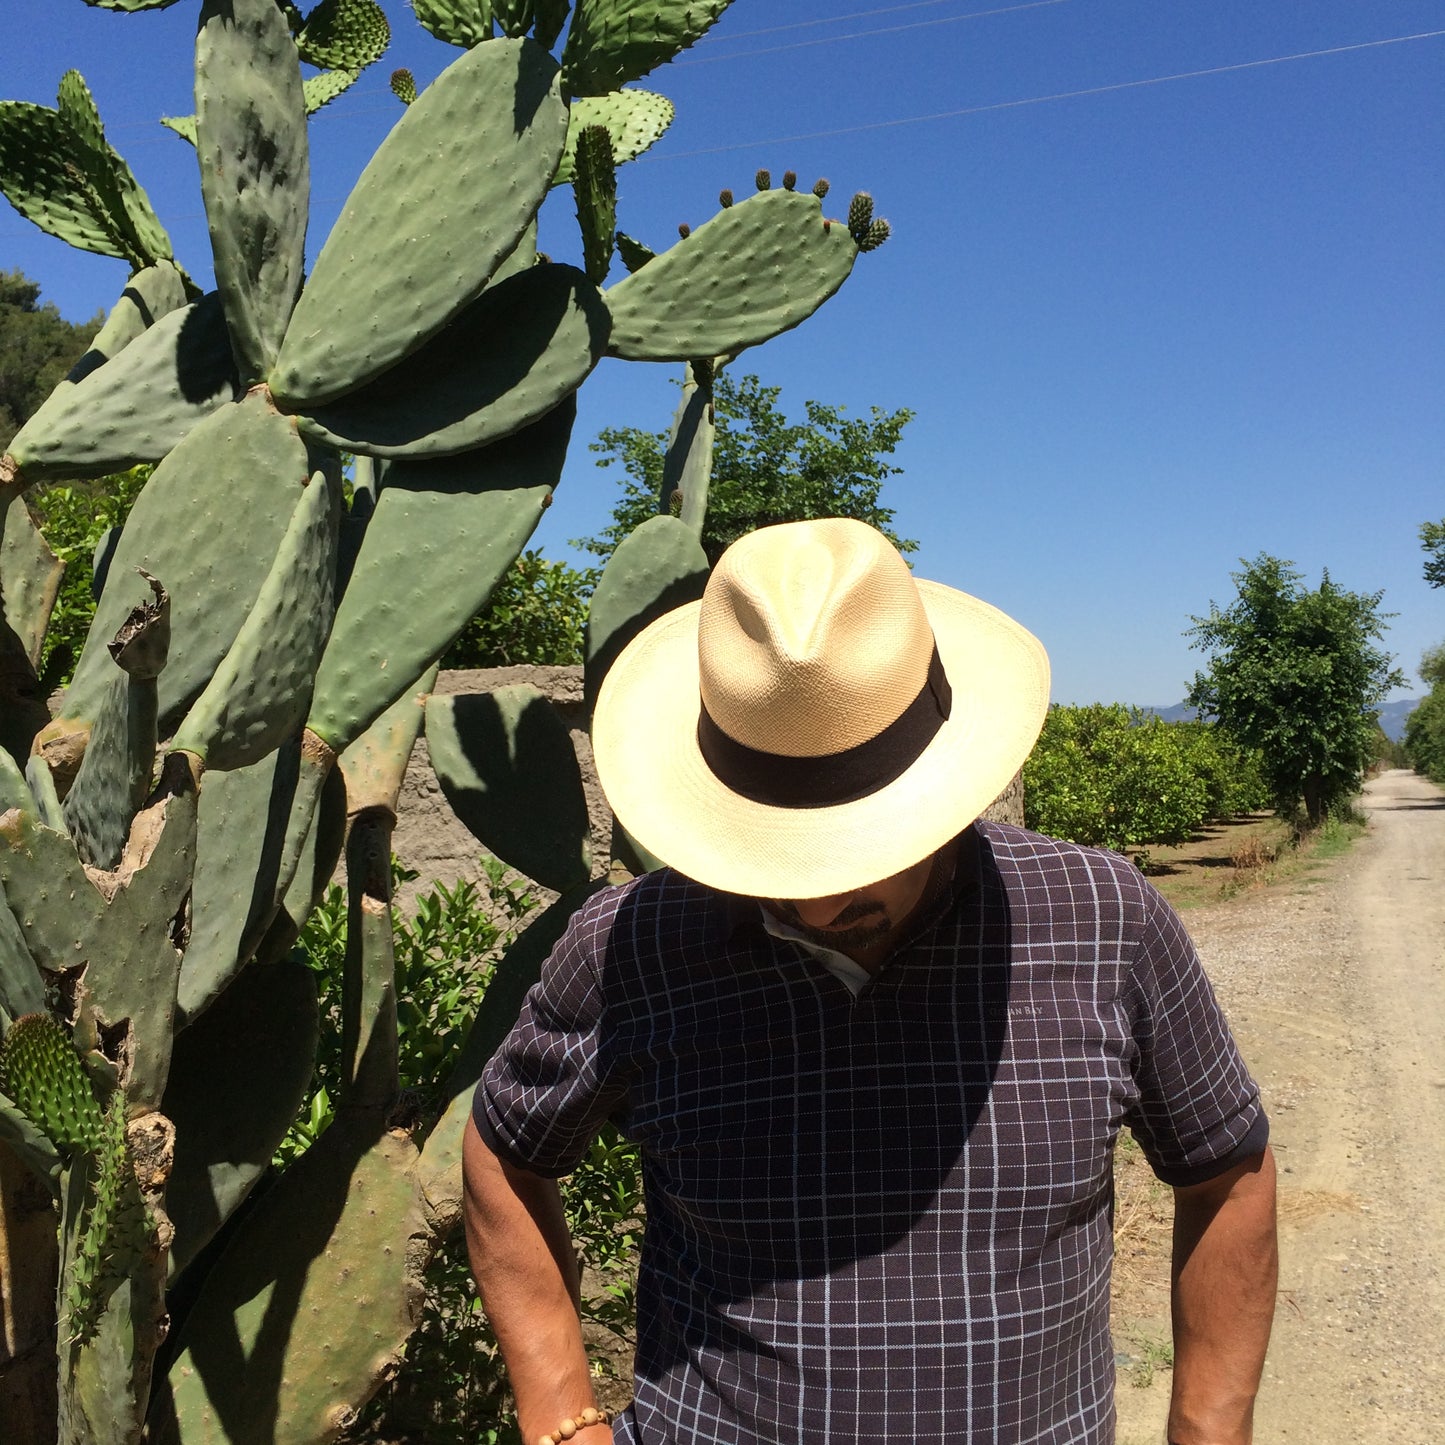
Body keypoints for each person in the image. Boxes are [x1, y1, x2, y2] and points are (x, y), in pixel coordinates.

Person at [463, 518, 1277, 1445]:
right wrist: (560, 1418)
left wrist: (1208, 1430)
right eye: (773, 846)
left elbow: (1228, 1173)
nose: (815, 905)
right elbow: (502, 1152)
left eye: (857, 841)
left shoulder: (1102, 917)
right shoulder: (631, 944)